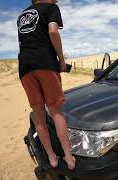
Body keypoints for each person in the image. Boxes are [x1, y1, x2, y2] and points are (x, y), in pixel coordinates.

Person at [17, 0, 75, 170]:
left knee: (38, 114)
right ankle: (69, 158)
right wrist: (61, 61)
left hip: (25, 67)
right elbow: (53, 31)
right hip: (45, 62)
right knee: (56, 112)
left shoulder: (22, 16)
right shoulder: (51, 8)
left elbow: (21, 44)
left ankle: (52, 158)